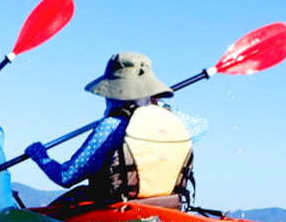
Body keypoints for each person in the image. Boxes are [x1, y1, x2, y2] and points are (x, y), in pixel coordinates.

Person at [26, 52, 194, 208]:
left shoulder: (110, 126)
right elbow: (202, 125)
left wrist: (40, 155)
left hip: (115, 210)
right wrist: (158, 104)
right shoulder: (178, 121)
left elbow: (66, 177)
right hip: (168, 207)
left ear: (115, 93)